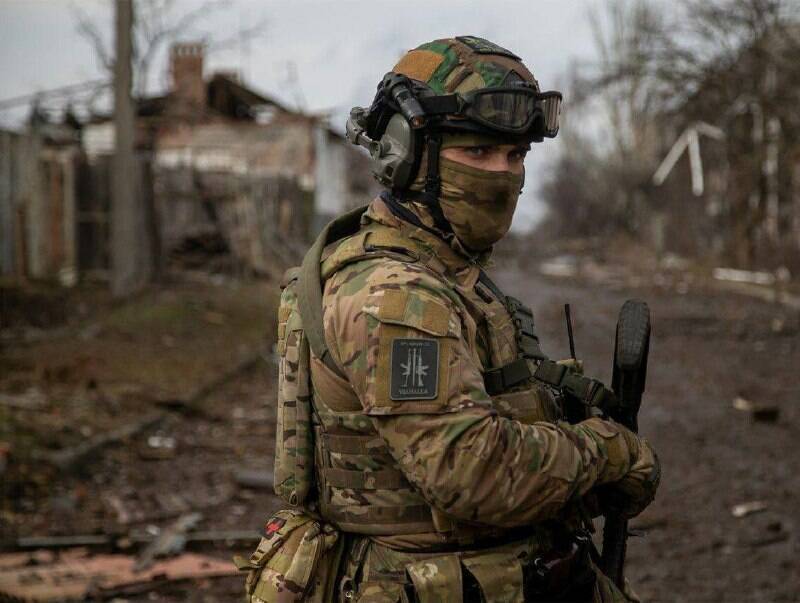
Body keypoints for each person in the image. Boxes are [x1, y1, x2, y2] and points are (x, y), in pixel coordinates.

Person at [259, 35, 660, 603]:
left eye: (515, 156)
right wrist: (606, 453)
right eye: (477, 153)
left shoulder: (443, 268)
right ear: (406, 155)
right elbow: (471, 472)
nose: (502, 174)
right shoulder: (393, 296)